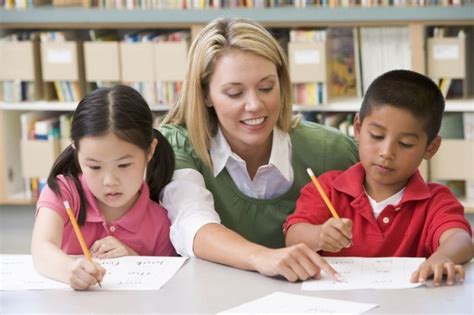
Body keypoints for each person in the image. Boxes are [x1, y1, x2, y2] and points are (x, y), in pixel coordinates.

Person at [159, 17, 358, 282]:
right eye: (234, 93)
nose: (254, 105)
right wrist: (263, 257)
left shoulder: (332, 150)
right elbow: (190, 224)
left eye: (266, 88)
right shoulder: (178, 145)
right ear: (205, 93)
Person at [285, 70, 473, 286]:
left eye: (405, 144)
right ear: (357, 128)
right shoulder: (327, 188)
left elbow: (460, 239)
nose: (386, 152)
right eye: (376, 136)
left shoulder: (435, 200)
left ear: (430, 147)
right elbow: (293, 236)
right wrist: (319, 235)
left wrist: (441, 258)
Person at [31, 85, 176, 290]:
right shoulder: (63, 193)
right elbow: (41, 248)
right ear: (76, 152)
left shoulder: (162, 222)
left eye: (124, 165)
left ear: (150, 151)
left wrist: (133, 259)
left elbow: (168, 288)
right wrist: (69, 270)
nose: (109, 181)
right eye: (94, 166)